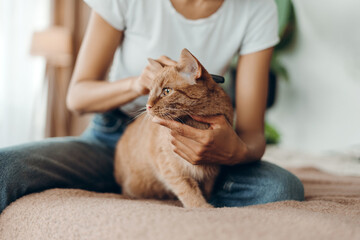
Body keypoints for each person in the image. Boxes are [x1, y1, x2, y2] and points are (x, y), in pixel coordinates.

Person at [0, 0, 304, 214]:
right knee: (5, 167)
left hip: (205, 145)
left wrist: (230, 152)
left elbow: (252, 136)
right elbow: (76, 98)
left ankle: (169, 187)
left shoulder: (257, 8)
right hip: (113, 136)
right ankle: (132, 179)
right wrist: (136, 84)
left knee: (281, 190)